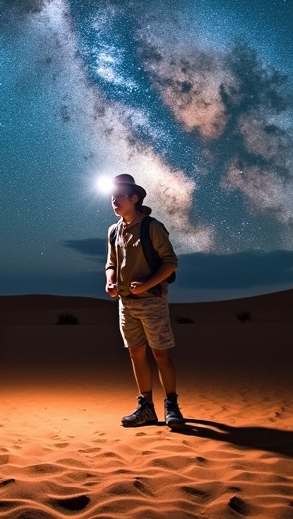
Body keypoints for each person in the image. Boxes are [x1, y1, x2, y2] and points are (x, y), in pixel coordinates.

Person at [104, 173, 184, 429]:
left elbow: (171, 262)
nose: (114, 201)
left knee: (160, 353)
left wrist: (147, 285)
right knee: (136, 353)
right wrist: (110, 281)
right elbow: (111, 263)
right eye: (112, 197)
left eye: (119, 197)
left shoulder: (152, 227)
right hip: (126, 304)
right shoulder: (113, 230)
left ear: (134, 198)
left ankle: (171, 406)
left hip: (152, 301)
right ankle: (146, 407)